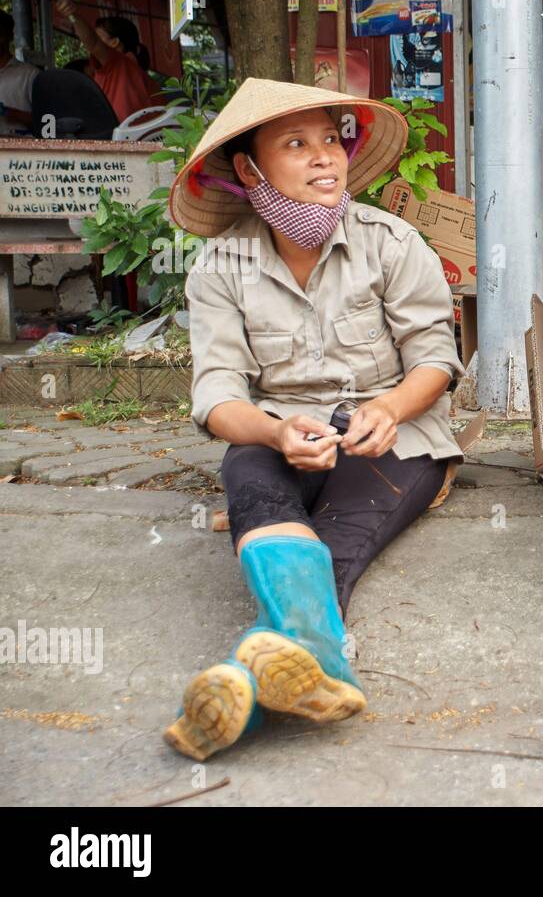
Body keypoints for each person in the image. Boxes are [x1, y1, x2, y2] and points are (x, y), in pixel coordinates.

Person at [162, 78, 463, 760]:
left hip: (394, 439)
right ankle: (323, 672)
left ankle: (244, 679)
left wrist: (387, 408)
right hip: (284, 436)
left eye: (331, 139)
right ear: (250, 169)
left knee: (338, 536)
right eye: (296, 144)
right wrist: (273, 432)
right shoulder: (219, 266)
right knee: (249, 471)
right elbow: (217, 396)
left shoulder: (391, 242)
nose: (325, 157)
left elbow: (437, 360)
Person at [53, 0, 155, 123]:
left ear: (114, 42)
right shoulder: (143, 76)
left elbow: (93, 42)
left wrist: (73, 16)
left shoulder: (118, 63)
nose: (85, 44)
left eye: (98, 36)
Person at [0, 11, 38, 135]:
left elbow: (50, 123)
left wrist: (7, 112)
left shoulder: (30, 75)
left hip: (21, 152)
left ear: (10, 35)